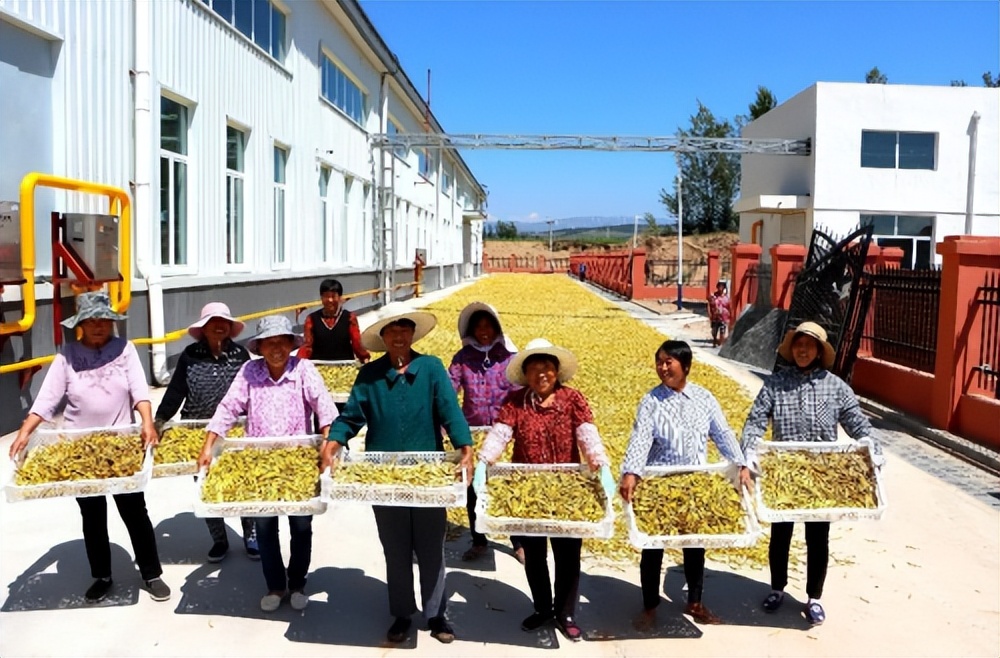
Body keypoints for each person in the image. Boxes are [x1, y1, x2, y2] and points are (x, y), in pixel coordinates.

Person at [322, 303, 473, 645]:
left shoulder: (431, 369)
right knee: (396, 547)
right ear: (384, 337)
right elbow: (351, 416)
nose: (399, 335)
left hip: (428, 473)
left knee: (431, 545)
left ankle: (436, 614)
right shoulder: (370, 376)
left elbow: (450, 409)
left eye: (405, 328)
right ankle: (402, 613)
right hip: (383, 476)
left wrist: (465, 445)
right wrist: (334, 440)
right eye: (393, 330)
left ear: (412, 334)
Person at [8, 292, 170, 603]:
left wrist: (147, 423)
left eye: (103, 321)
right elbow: (46, 399)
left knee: (134, 511)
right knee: (93, 516)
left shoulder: (125, 350)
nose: (98, 327)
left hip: (120, 445)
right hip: (80, 450)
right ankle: (103, 576)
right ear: (80, 325)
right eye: (91, 321)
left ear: (111, 323)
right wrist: (25, 433)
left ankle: (151, 574)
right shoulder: (66, 356)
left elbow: (139, 390)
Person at [741, 321, 882, 626]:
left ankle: (814, 597)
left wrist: (871, 447)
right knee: (781, 536)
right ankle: (777, 589)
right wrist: (749, 451)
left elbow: (857, 423)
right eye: (798, 344)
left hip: (821, 474)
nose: (803, 350)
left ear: (819, 350)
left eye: (809, 345)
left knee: (818, 538)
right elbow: (755, 421)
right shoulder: (776, 384)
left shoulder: (835, 387)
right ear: (792, 349)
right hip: (783, 471)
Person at [473, 338, 615, 642]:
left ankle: (566, 613)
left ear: (556, 371)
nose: (541, 374)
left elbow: (587, 434)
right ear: (526, 374)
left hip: (567, 488)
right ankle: (542, 608)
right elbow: (501, 434)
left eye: (547, 367)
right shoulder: (515, 402)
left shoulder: (572, 399)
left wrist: (600, 465)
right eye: (534, 368)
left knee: (567, 555)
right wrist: (484, 461)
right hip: (528, 487)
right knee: (535, 554)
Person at [198, 315, 338, 613]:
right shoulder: (250, 371)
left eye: (282, 342)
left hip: (298, 462)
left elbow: (323, 405)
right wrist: (209, 444)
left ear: (291, 344)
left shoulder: (303, 370)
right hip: (259, 463)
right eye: (269, 343)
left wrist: (328, 441)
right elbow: (228, 407)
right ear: (260, 347)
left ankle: (298, 582)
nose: (276, 348)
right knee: (264, 527)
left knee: (301, 526)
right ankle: (275, 585)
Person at [619, 340, 750, 628]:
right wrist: (632, 472)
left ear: (686, 366)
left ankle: (695, 601)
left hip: (694, 482)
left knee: (694, 545)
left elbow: (722, 432)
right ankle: (650, 606)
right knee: (653, 547)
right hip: (660, 483)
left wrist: (741, 464)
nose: (663, 367)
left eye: (669, 362)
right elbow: (640, 439)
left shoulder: (704, 398)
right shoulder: (651, 401)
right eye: (659, 361)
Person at [154, 302, 256, 563]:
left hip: (234, 431)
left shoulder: (240, 355)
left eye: (224, 322)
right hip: (197, 432)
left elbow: (251, 392)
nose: (219, 327)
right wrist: (161, 419)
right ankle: (219, 540)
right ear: (204, 328)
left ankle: (251, 534)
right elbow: (176, 391)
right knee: (206, 486)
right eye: (213, 322)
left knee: (243, 484)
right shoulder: (190, 355)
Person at [448, 301, 522, 563]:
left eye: (488, 326)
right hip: (473, 432)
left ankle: (518, 541)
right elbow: (450, 391)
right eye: (478, 327)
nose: (484, 331)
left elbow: (520, 392)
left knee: (507, 485)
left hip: (505, 433)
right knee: (473, 487)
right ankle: (479, 539)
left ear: (496, 328)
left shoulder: (509, 357)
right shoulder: (463, 358)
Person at [298, 278, 370, 363]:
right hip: (318, 366)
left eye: (333, 296)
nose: (330, 300)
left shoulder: (349, 318)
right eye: (326, 296)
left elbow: (356, 342)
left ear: (340, 297)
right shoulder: (311, 319)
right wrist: (299, 362)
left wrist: (364, 358)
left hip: (345, 366)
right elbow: (307, 346)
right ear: (321, 297)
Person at [708, 281, 731, 347]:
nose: (720, 288)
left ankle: (721, 344)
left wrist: (730, 316)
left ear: (724, 287)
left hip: (723, 317)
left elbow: (729, 307)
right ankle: (715, 341)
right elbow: (709, 305)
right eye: (719, 286)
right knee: (714, 331)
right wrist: (710, 314)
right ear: (717, 287)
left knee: (722, 331)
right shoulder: (713, 296)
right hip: (715, 317)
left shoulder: (726, 297)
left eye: (722, 286)